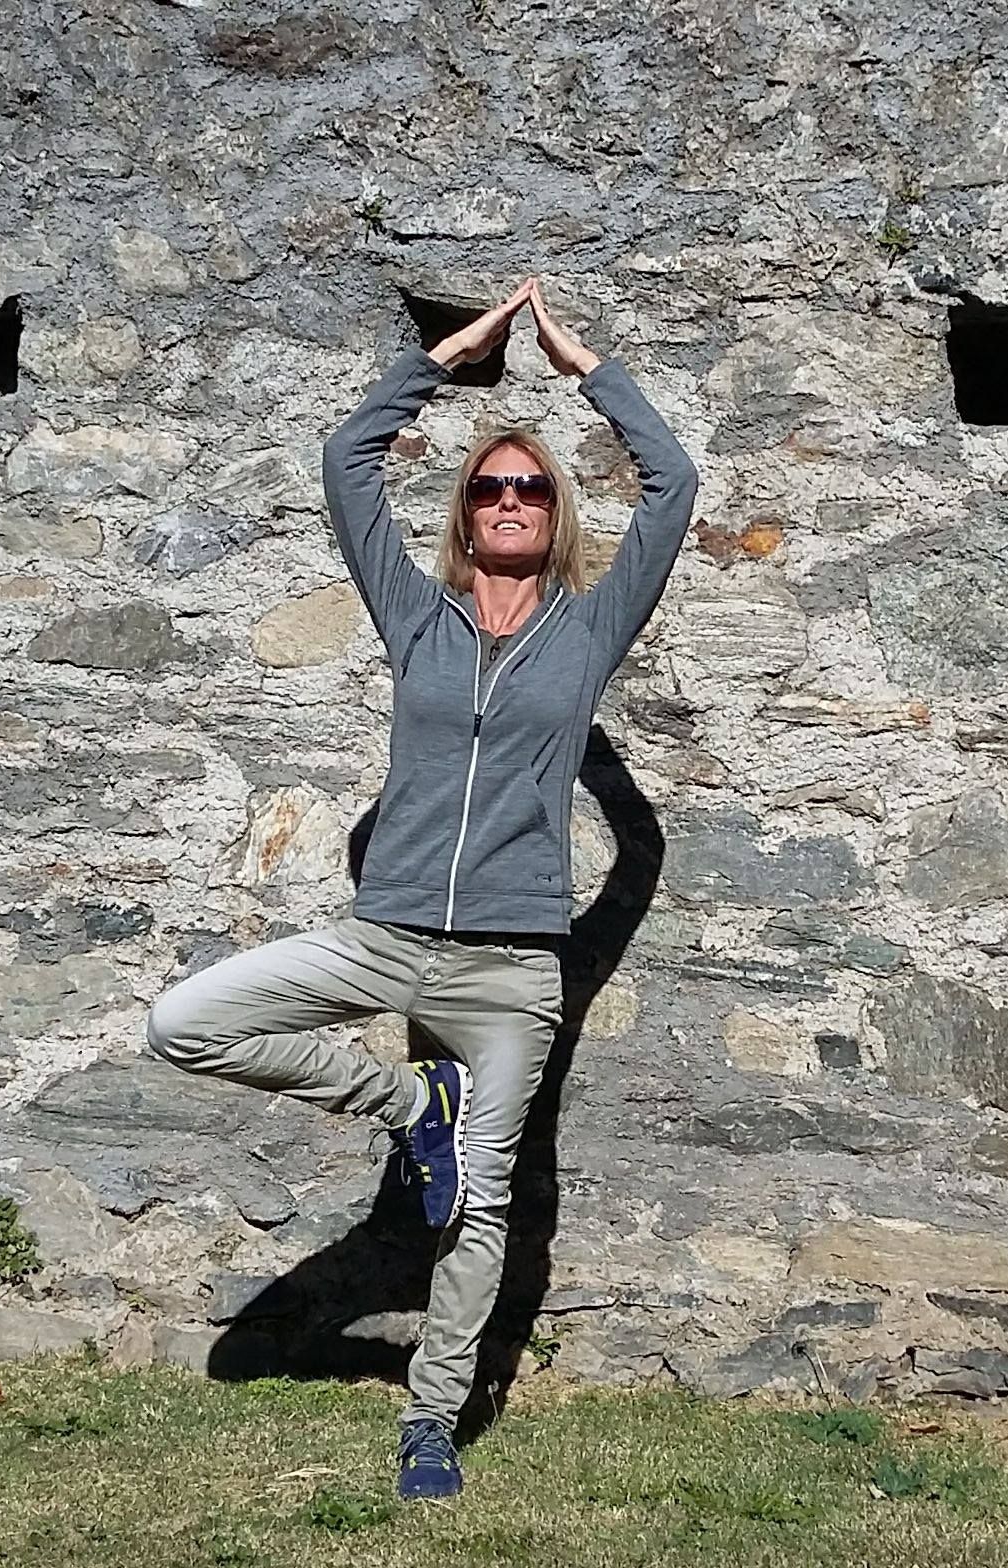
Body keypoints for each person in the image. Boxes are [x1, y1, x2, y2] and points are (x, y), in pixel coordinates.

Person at [146, 276, 699, 1499]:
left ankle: (431, 1419)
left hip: (510, 969)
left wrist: (584, 369)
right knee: (182, 1021)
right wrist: (445, 357)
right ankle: (409, 1103)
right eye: (489, 486)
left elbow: (673, 484)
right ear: (464, 512)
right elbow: (346, 461)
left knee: (478, 1204)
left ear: (554, 513)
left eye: (530, 488)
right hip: (385, 934)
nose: (508, 499)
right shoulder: (415, 618)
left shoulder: (588, 632)